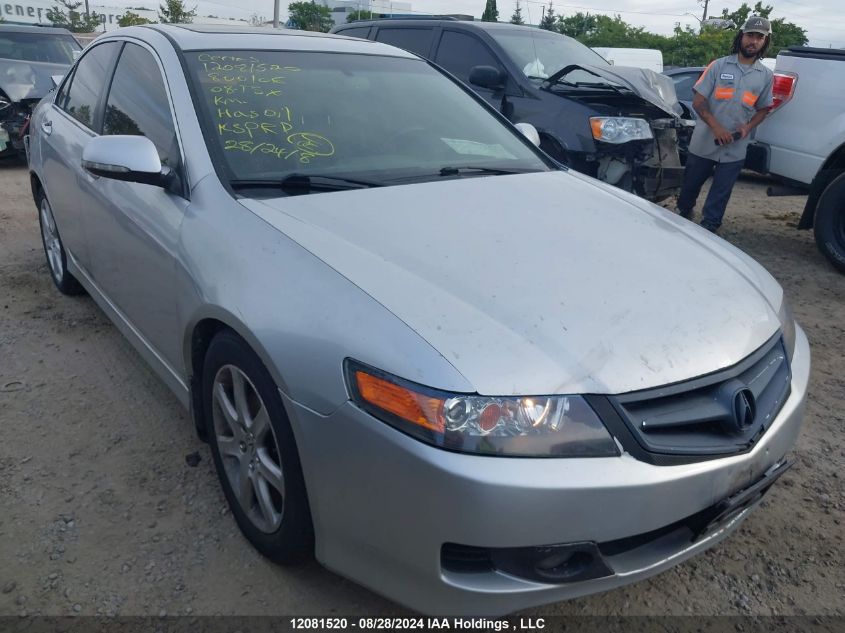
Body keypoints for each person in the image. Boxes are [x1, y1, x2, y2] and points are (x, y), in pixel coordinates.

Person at [676, 16, 775, 233]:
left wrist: (747, 128)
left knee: (720, 194)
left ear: (765, 42)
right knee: (689, 189)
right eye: (750, 35)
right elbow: (698, 101)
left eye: (759, 37)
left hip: (735, 147)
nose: (753, 41)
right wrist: (716, 127)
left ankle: (709, 229)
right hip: (704, 142)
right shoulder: (718, 66)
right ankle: (683, 216)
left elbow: (764, 109)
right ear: (741, 36)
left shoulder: (766, 76)